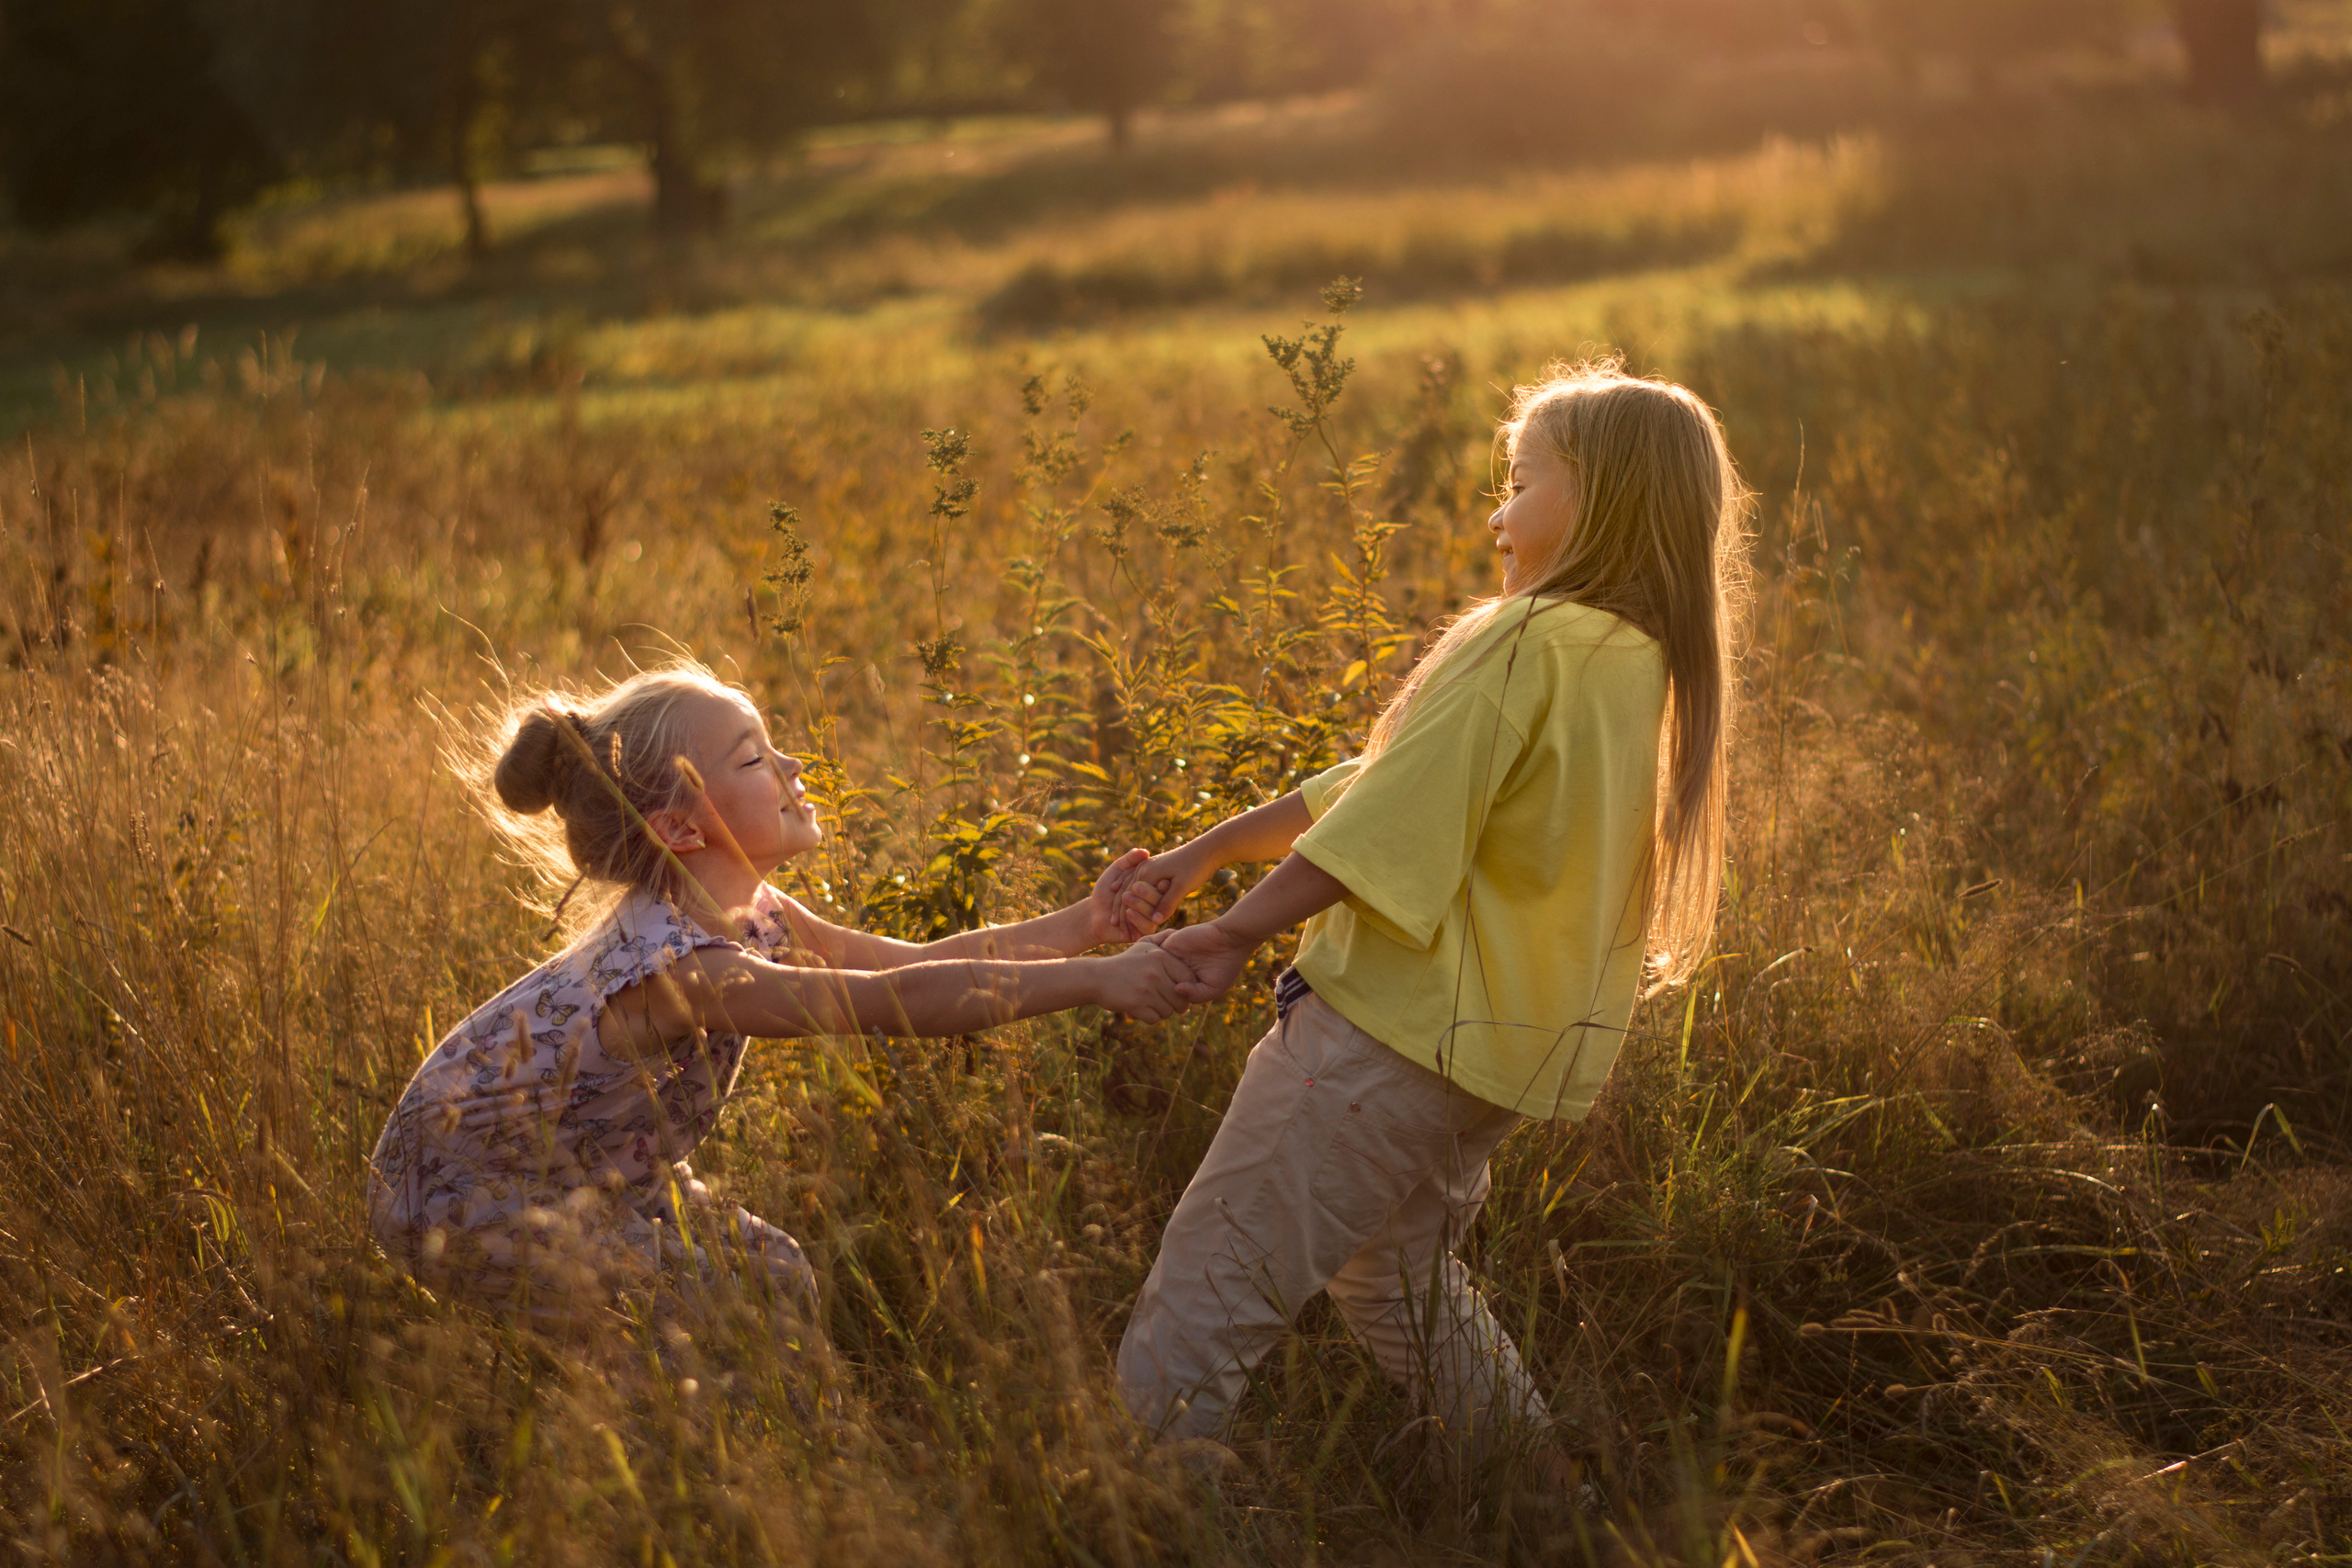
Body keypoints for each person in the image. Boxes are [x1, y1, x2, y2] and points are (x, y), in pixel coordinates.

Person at [1119, 360, 1751, 1461]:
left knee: (1203, 1300)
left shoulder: (1525, 640)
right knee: (1393, 1280)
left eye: (1518, 482)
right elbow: (1381, 782)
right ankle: (1545, 1513)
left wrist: (1228, 932)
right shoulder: (1635, 664)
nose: (1498, 516)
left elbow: (1391, 830)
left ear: (1592, 499)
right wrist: (1207, 851)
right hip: (1488, 1061)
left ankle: (1147, 1513)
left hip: (1381, 1040)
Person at [367, 660, 1186, 1317]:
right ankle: (679, 1489)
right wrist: (1098, 982)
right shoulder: (683, 973)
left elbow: (911, 961)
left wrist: (1085, 925)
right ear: (683, 827)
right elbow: (897, 1006)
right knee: (714, 1317)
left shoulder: (753, 911)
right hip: (465, 1198)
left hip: (593, 1168)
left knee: (777, 1278)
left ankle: (740, 1459)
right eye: (756, 758)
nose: (793, 765)